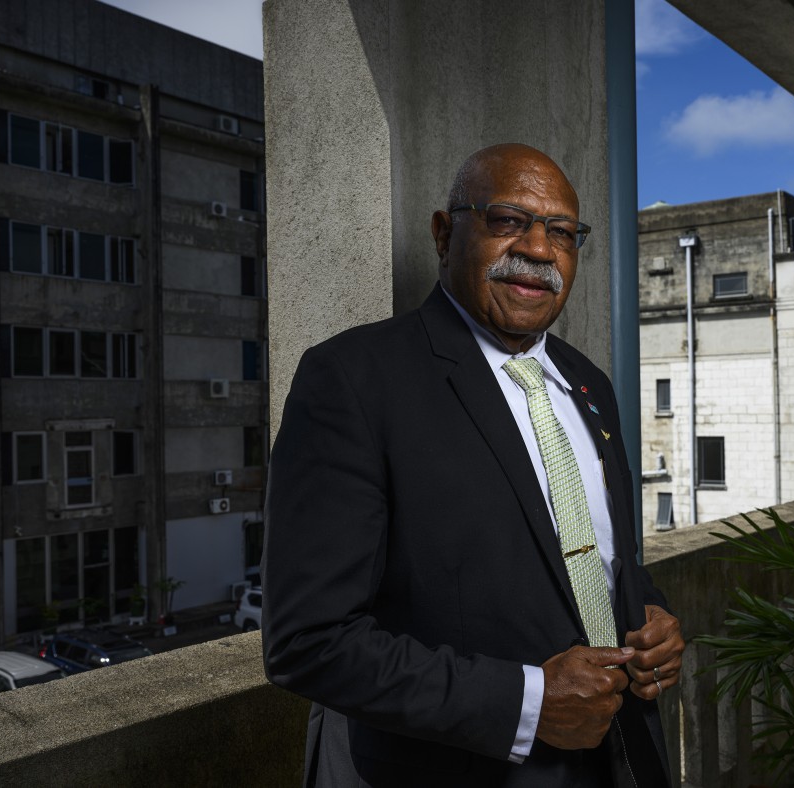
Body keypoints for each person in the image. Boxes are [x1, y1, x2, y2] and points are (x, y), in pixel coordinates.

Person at [262, 143, 684, 787]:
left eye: (563, 233)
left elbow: (600, 558)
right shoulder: (353, 380)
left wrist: (649, 617)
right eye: (509, 220)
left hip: (617, 757)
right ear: (443, 232)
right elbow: (310, 642)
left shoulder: (588, 383)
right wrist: (528, 703)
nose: (540, 250)